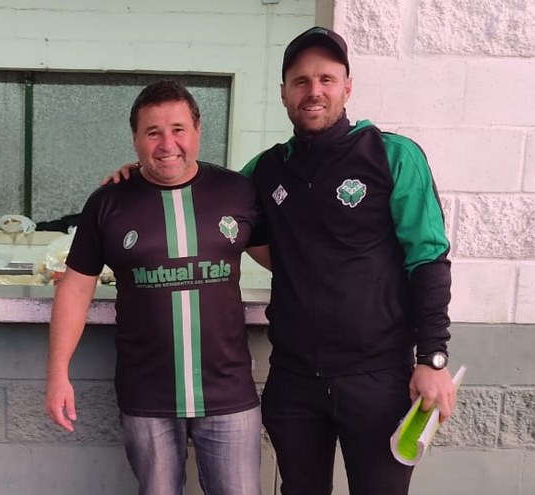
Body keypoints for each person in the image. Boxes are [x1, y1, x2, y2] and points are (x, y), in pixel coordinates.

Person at [106, 27, 458, 495]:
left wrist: (432, 357)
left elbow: (428, 259)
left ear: (347, 86)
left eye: (326, 79)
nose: (314, 91)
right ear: (284, 93)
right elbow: (204, 196)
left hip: (377, 377)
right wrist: (142, 175)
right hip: (294, 381)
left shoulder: (392, 156)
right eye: (300, 81)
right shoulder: (267, 170)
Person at [44, 80, 263, 495]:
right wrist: (57, 375)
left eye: (178, 129)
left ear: (198, 130)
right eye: (153, 133)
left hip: (229, 392)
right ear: (135, 139)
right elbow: (75, 289)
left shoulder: (237, 192)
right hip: (147, 395)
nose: (167, 144)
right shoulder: (109, 202)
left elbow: (283, 260)